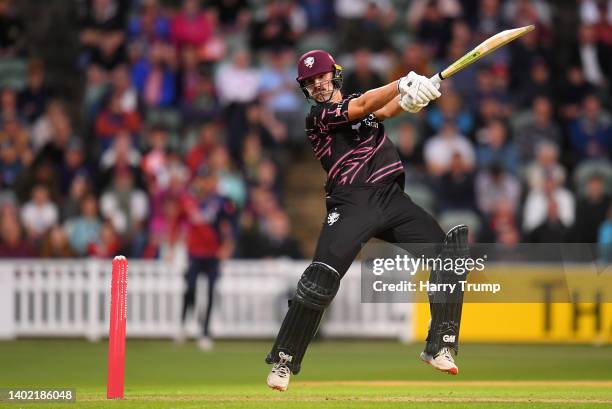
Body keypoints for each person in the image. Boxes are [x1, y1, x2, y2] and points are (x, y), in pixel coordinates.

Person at [266, 50, 470, 391]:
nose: (317, 84)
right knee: (320, 282)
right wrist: (402, 82)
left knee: (449, 255)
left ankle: (440, 346)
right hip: (351, 203)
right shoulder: (318, 117)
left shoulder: (359, 103)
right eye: (310, 81)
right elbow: (361, 108)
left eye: (322, 76)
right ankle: (284, 360)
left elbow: (384, 110)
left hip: (391, 199)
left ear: (335, 74)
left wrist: (417, 98)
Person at [178, 165, 236, 351]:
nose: (204, 183)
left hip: (212, 254)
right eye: (201, 179)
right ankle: (183, 324)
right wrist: (175, 243)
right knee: (190, 288)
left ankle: (205, 332)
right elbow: (177, 220)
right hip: (194, 253)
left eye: (207, 179)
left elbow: (231, 225)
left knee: (211, 291)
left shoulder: (220, 202)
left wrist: (227, 246)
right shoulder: (188, 199)